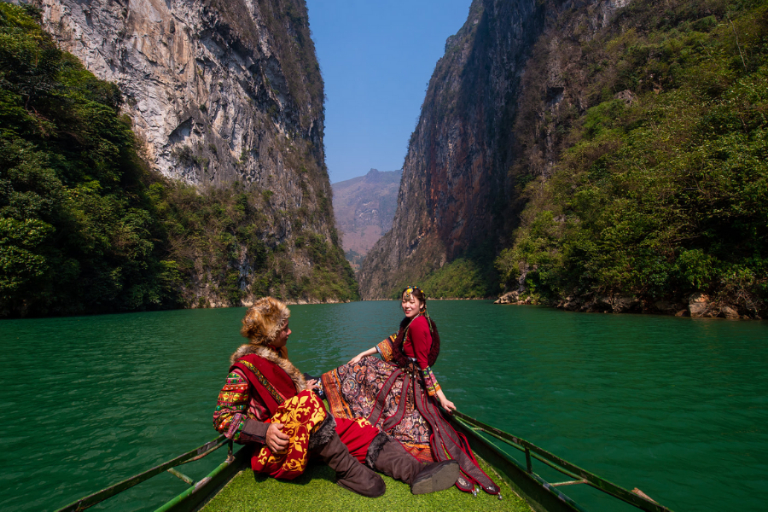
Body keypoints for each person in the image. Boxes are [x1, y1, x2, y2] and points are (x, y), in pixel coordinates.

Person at [213, 297, 460, 497]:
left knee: (363, 430)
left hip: (307, 435)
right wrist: (263, 431)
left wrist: (303, 388)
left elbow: (287, 400)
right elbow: (222, 418)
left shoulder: (277, 355)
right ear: (270, 333)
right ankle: (348, 472)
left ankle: (415, 471)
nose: (290, 331)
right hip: (278, 451)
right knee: (309, 403)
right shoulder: (244, 369)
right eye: (283, 327)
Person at [321, 286, 500, 495]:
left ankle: (323, 387)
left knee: (364, 371)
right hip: (405, 373)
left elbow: (424, 366)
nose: (406, 305)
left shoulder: (418, 326)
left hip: (411, 380)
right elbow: (391, 342)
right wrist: (362, 352)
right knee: (366, 363)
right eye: (404, 302)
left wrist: (442, 398)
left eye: (411, 302)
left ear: (422, 304)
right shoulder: (411, 323)